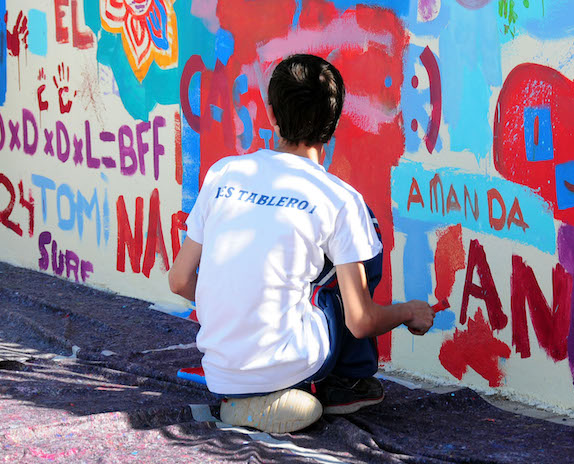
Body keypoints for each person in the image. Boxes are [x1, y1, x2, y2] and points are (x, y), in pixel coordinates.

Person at [168, 54, 436, 434]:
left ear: (272, 115)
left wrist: (237, 305)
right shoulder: (339, 198)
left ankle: (253, 397)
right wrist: (410, 311)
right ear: (333, 123)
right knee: (364, 234)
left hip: (220, 371)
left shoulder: (223, 172)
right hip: (293, 360)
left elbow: (179, 280)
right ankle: (346, 381)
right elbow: (360, 321)